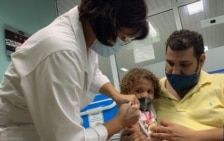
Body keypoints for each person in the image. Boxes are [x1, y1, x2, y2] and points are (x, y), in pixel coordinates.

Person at [0, 0, 149, 141]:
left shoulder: (85, 35)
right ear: (108, 21)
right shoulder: (61, 50)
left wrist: (116, 95)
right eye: (123, 36)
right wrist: (119, 122)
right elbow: (67, 139)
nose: (121, 42)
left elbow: (91, 72)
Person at [149, 29, 224, 141]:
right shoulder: (152, 90)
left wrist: (194, 136)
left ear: (201, 60)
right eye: (170, 63)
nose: (175, 71)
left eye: (184, 64)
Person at [119, 68, 160, 141]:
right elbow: (136, 133)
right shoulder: (130, 112)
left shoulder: (152, 110)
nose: (145, 95)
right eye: (138, 91)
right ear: (128, 93)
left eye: (149, 91)